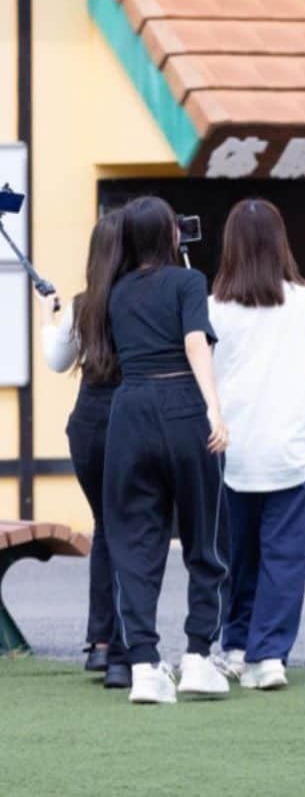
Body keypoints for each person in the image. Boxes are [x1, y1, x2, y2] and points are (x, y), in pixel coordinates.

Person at [83, 195, 231, 705]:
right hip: (183, 407)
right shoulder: (189, 282)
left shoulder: (115, 290)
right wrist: (214, 407)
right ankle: (195, 656)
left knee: (134, 541)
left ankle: (144, 664)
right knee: (203, 537)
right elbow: (197, 343)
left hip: (130, 409)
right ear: (171, 234)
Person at [209, 199, 305, 691]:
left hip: (231, 447)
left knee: (237, 555)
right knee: (286, 553)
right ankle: (268, 656)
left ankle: (235, 645)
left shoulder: (211, 307)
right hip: (291, 447)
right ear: (282, 243)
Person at [38, 211, 130, 689]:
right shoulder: (141, 300)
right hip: (129, 421)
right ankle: (117, 645)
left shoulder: (81, 306)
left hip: (88, 424)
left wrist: (47, 316)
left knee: (106, 527)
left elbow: (57, 361)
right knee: (125, 529)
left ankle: (99, 642)